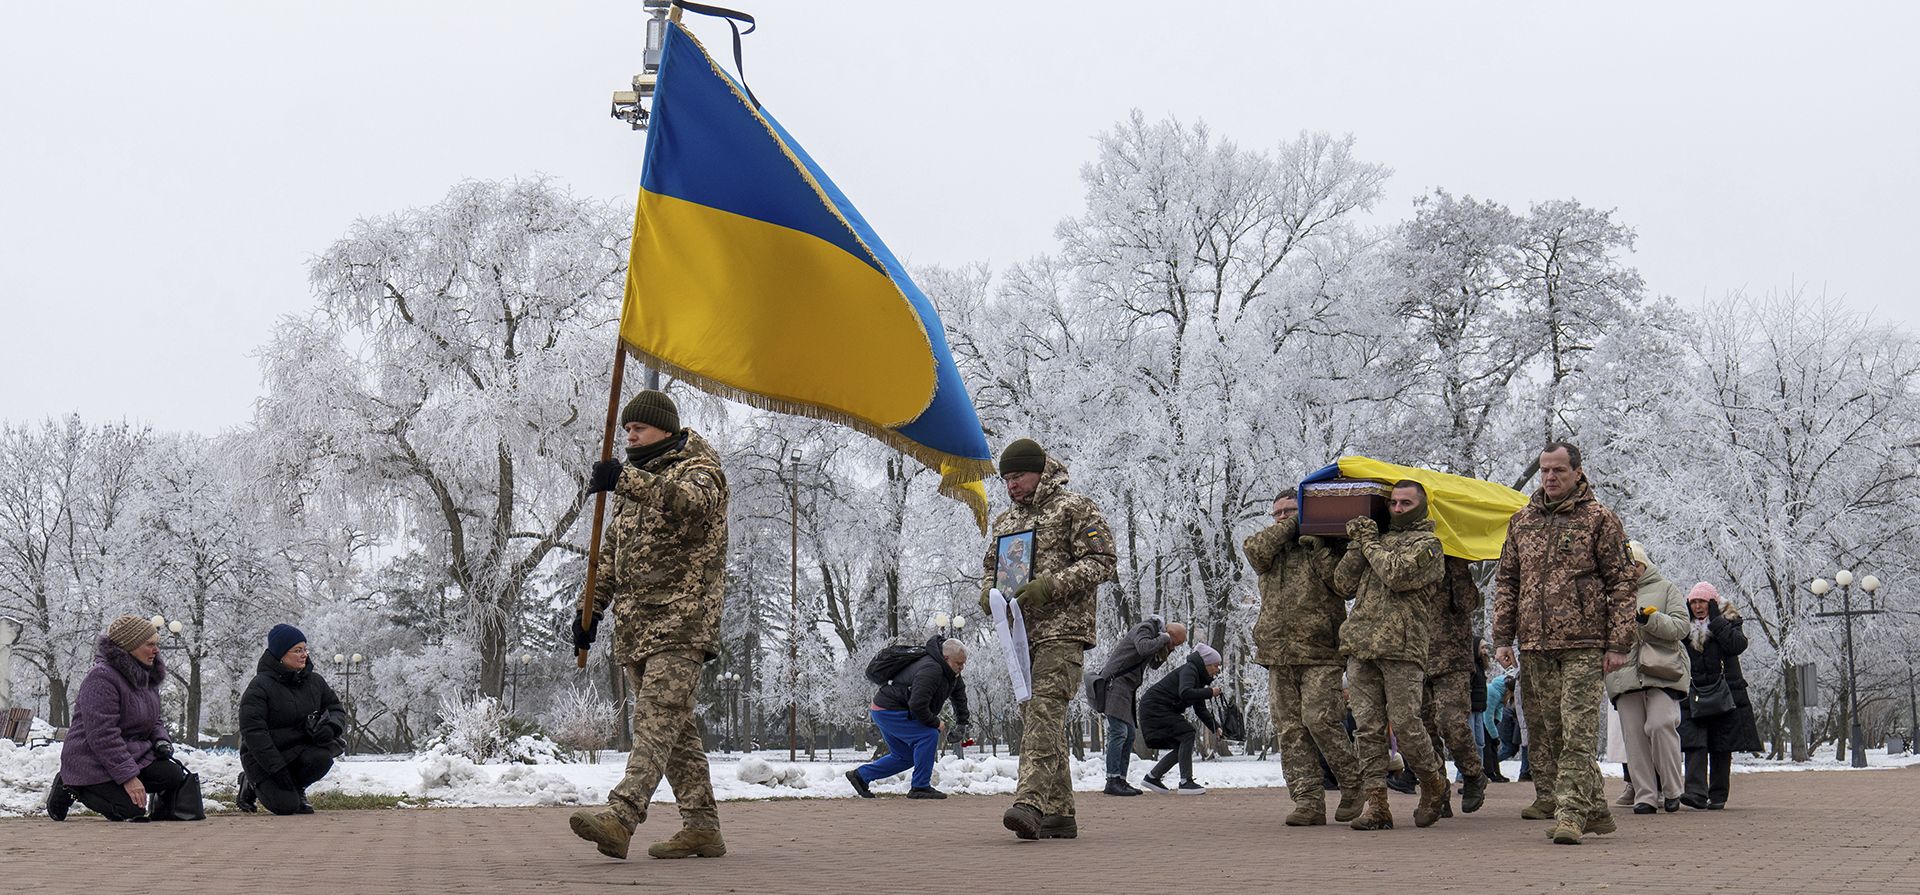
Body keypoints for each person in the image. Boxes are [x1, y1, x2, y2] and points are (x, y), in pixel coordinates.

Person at [569, 389, 731, 861]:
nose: (630, 436)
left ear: (666, 427)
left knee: (654, 720)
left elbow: (690, 506)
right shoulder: (632, 488)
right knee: (675, 731)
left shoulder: (701, 472)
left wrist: (626, 482)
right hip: (637, 628)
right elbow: (611, 560)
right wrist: (590, 613)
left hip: (683, 624)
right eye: (626, 430)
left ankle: (620, 817)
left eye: (638, 428)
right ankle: (703, 827)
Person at [1492, 441, 1637, 845]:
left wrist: (1618, 642)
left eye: (1558, 470)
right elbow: (1507, 581)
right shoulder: (1522, 521)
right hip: (1535, 644)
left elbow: (1622, 583)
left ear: (1577, 472)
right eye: (1544, 470)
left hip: (1584, 644)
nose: (1550, 477)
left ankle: (1569, 814)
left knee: (1577, 732)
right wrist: (1503, 637)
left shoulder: (1599, 520)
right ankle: (1596, 810)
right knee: (1552, 734)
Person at [976, 438, 1117, 841]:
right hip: (1019, 635)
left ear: (1040, 471)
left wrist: (1051, 586)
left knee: (1043, 711)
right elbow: (992, 566)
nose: (1011, 485)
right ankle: (1060, 812)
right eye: (1005, 479)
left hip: (1063, 630)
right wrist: (989, 591)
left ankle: (1030, 803)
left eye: (1018, 476)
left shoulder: (1075, 507)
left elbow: (1103, 560)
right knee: (1037, 717)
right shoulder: (1005, 521)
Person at [1335, 480, 1449, 830]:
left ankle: (1432, 784)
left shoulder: (1429, 546)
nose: (1397, 509)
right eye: (1393, 503)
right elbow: (1342, 583)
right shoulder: (1374, 542)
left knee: (1406, 724)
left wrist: (1368, 542)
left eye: (1405, 503)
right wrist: (1358, 543)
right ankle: (1377, 805)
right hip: (1361, 645)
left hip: (1402, 647)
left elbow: (1397, 575)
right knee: (1367, 729)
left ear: (1421, 506)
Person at [1244, 490, 1362, 826]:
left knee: (1319, 718)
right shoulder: (1270, 547)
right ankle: (1307, 800)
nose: (1282, 518)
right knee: (1290, 729)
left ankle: (1353, 783)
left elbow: (1344, 585)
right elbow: (1254, 550)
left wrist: (1317, 543)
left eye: (1290, 511)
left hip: (1320, 649)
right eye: (1277, 513)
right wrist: (1293, 523)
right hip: (1278, 652)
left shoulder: (1323, 543)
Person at [46, 615, 185, 822]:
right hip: (91, 760)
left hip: (131, 754)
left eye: (156, 644)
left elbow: (154, 719)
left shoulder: (146, 677)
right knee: (130, 811)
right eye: (150, 645)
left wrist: (161, 740)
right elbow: (103, 736)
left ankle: (115, 783)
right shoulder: (101, 678)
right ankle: (71, 785)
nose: (156, 651)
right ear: (130, 646)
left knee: (172, 775)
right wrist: (129, 778)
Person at [1603, 542, 1690, 814]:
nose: (1632, 570)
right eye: (1626, 566)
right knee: (1633, 736)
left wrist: (1651, 620)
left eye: (1635, 564)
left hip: (1662, 670)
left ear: (1644, 564)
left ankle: (1673, 789)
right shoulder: (1609, 595)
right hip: (1623, 673)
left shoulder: (1666, 589)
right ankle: (1645, 795)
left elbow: (1681, 627)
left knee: (1660, 724)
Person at [237, 624, 347, 815]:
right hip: (264, 758)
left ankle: (297, 788)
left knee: (322, 758)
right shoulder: (259, 687)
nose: (304, 654)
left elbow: (336, 709)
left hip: (299, 753)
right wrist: (276, 769)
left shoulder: (315, 682)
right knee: (285, 807)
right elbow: (254, 733)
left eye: (305, 649)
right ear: (281, 654)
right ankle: (250, 783)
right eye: (297, 650)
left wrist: (330, 726)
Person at [847, 637, 970, 800]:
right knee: (929, 734)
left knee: (905, 757)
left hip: (884, 709)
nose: (962, 668)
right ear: (946, 658)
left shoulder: (951, 672)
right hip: (890, 710)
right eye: (959, 663)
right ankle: (920, 787)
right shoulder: (931, 670)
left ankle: (861, 776)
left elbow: (959, 696)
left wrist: (962, 723)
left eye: (963, 663)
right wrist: (936, 722)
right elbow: (917, 705)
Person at [1677, 582, 1760, 810]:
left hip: (1726, 692)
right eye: (1693, 602)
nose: (1697, 606)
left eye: (1702, 602)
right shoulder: (1684, 627)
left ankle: (1718, 794)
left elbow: (1736, 645)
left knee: (1721, 744)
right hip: (1694, 693)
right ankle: (1695, 793)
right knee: (1695, 742)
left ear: (1712, 603)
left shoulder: (1730, 620)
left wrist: (1717, 622)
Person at [1086, 616, 1185, 795]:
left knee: (1130, 734)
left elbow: (1153, 664)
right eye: (1175, 643)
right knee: (1119, 732)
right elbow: (1143, 647)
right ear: (1169, 633)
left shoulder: (1155, 635)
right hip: (1114, 684)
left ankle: (1121, 780)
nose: (1174, 646)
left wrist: (1166, 651)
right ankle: (1112, 780)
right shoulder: (1146, 628)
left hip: (1127, 689)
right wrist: (1164, 639)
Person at [1420, 556, 1488, 815]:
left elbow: (1467, 602)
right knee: (1423, 732)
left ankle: (1473, 773)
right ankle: (1438, 792)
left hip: (1452, 659)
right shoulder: (1408, 560)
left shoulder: (1452, 564)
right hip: (1415, 658)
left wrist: (1457, 565)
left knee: (1451, 724)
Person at [1136, 643, 1225, 794]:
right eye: (1216, 666)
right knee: (1188, 732)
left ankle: (1153, 777)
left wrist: (1215, 726)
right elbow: (1186, 693)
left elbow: (1200, 709)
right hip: (1155, 708)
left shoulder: (1197, 676)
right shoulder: (1189, 670)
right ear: (1206, 663)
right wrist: (1210, 692)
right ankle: (1186, 782)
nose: (1218, 670)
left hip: (1159, 708)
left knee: (1181, 745)